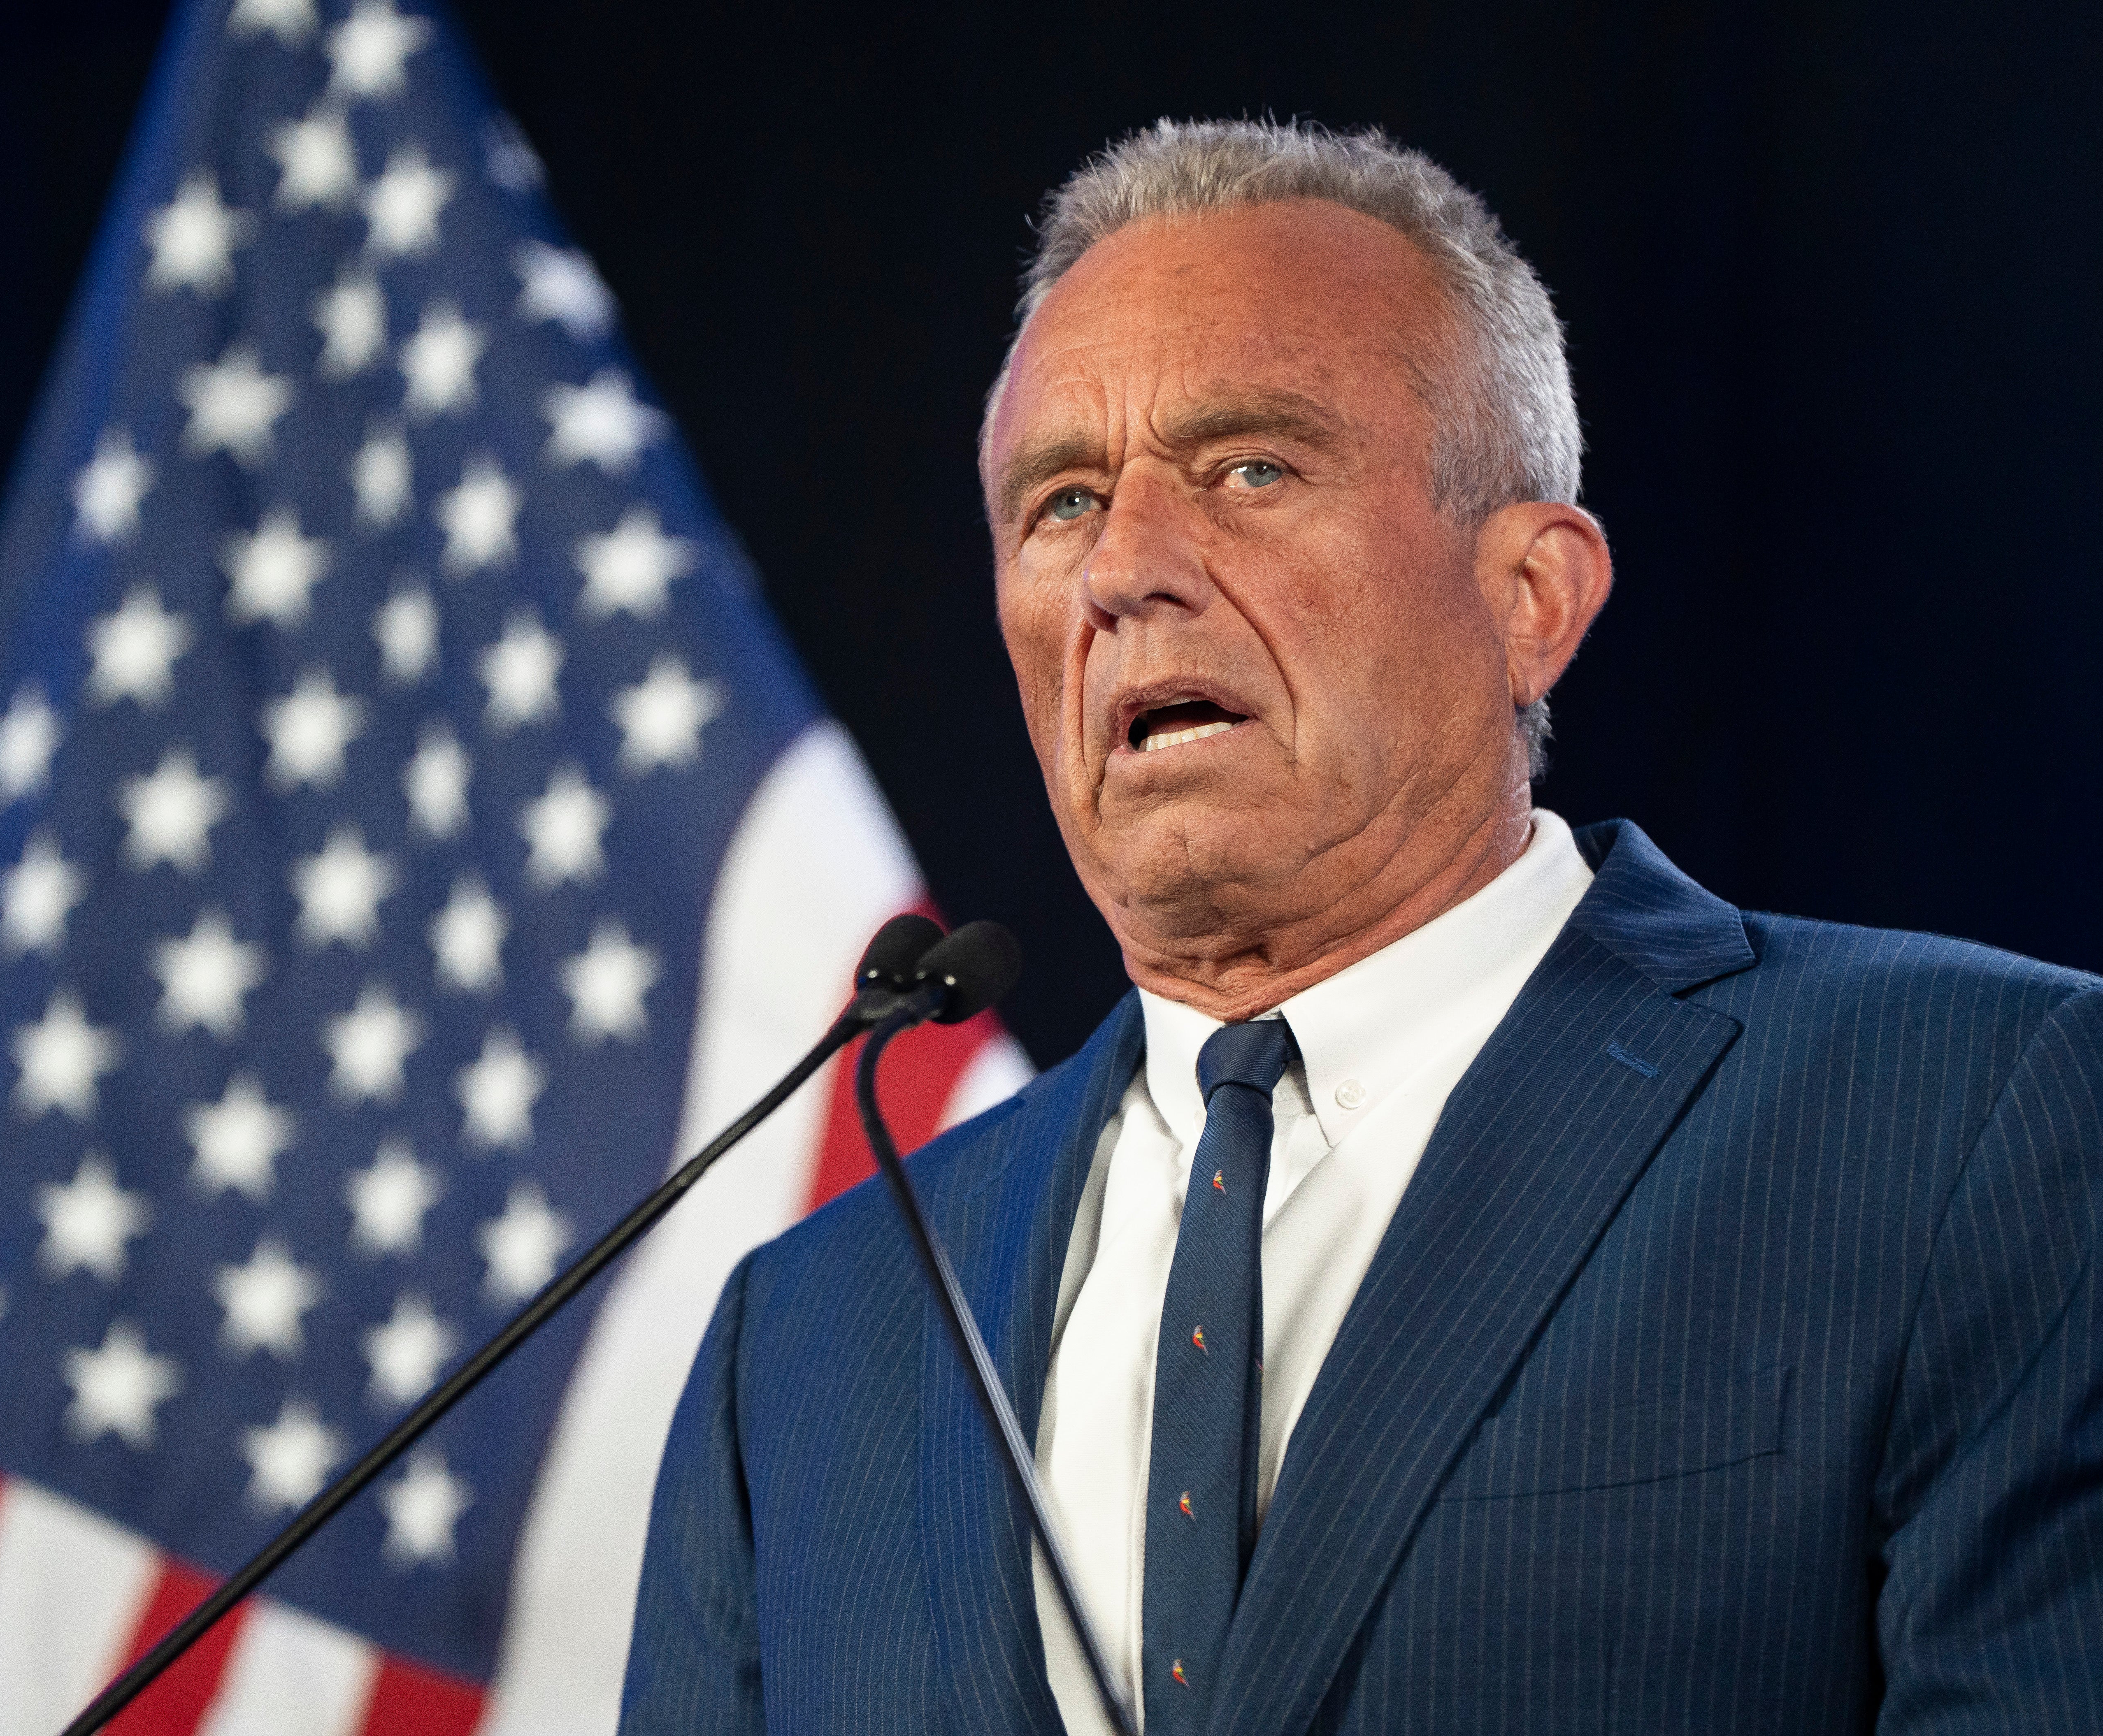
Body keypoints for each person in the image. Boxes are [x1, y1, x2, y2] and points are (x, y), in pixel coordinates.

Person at [617, 119, 2103, 1735]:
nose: (1122, 568)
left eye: (1250, 466)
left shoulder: (1976, 1110)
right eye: (1057, 501)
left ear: (1530, 595)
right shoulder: (814, 1333)